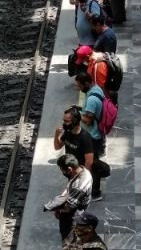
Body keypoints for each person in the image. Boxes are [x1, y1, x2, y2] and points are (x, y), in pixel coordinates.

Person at [46, 154, 93, 240]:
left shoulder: (78, 186)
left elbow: (68, 208)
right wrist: (62, 196)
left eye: (62, 170)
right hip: (78, 204)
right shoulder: (83, 170)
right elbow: (69, 186)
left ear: (69, 169)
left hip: (73, 214)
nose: (62, 172)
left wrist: (56, 209)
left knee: (68, 236)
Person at [75, 72, 106, 201]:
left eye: (79, 85)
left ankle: (95, 191)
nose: (79, 88)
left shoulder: (92, 99)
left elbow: (88, 120)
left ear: (86, 83)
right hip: (95, 135)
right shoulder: (96, 88)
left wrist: (76, 114)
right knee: (93, 162)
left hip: (92, 136)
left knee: (92, 164)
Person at [54, 106, 95, 175]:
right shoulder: (67, 132)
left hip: (79, 173)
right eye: (64, 120)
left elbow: (89, 162)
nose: (64, 123)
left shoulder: (85, 137)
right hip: (71, 171)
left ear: (75, 121)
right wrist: (56, 134)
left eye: (67, 121)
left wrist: (82, 177)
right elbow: (57, 147)